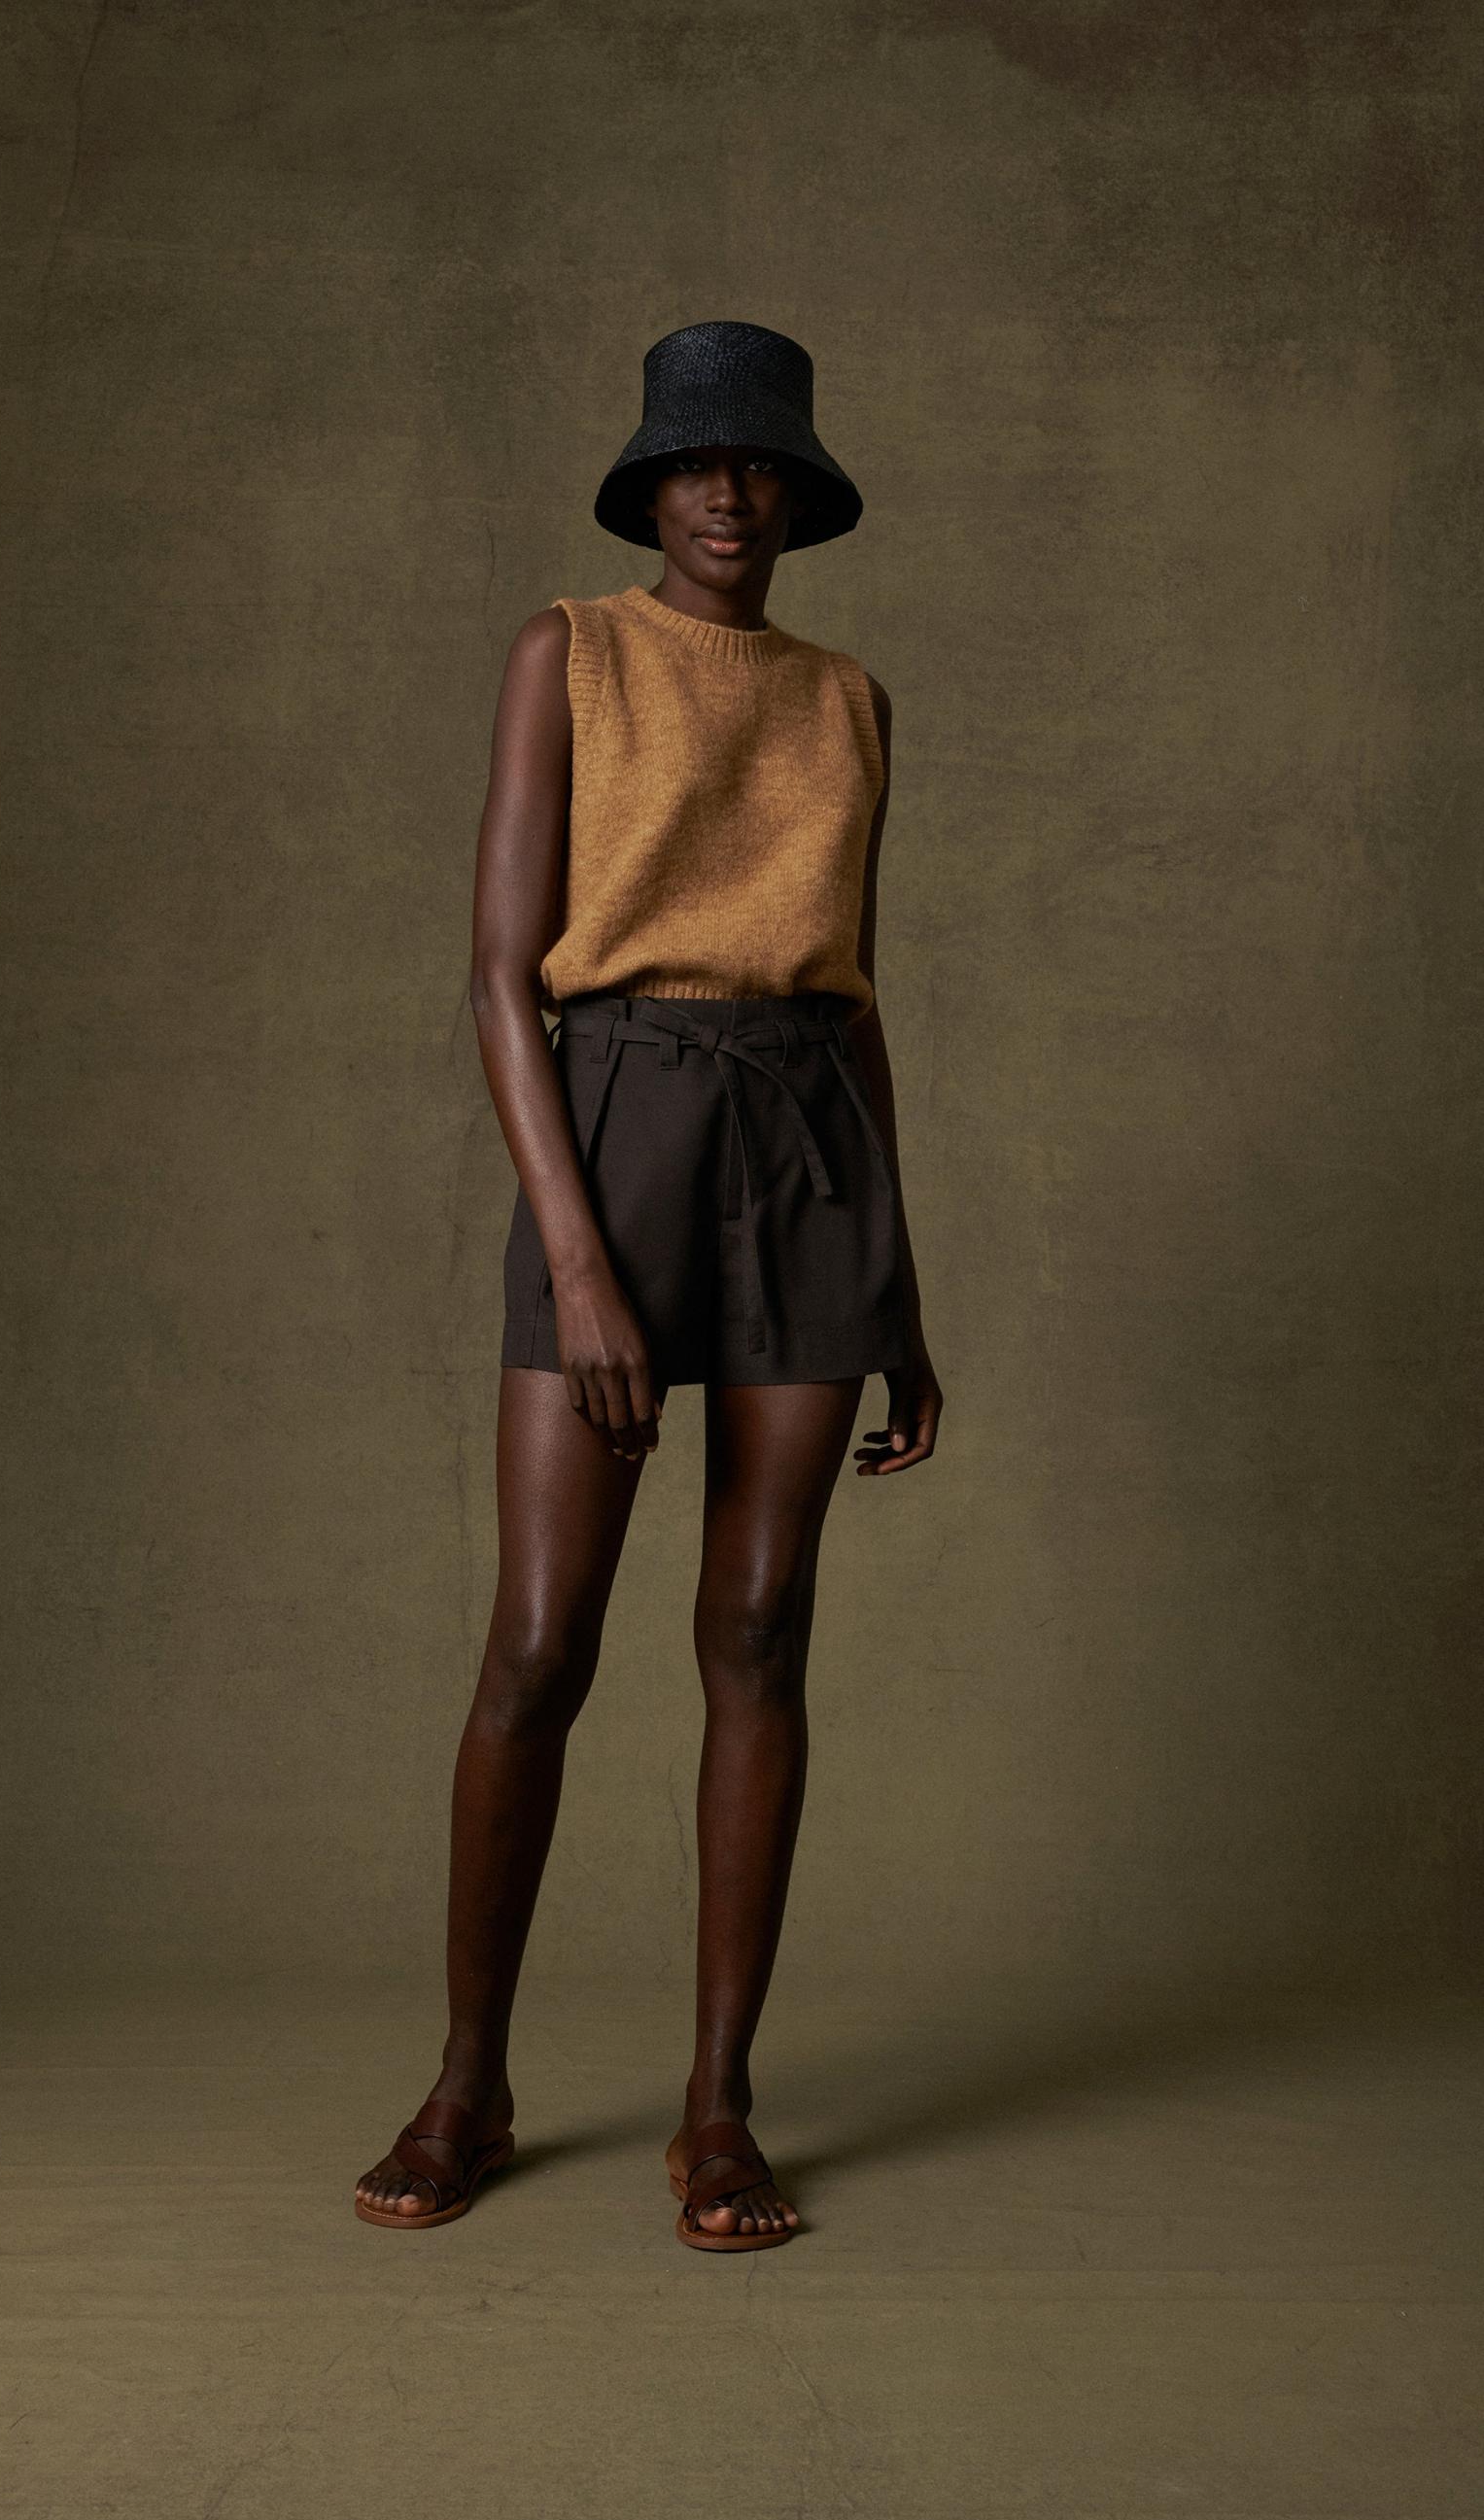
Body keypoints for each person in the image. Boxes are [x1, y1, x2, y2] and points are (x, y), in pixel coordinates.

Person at [355, 320, 944, 2251]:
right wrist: (578, 1258)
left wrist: (896, 1282)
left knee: (759, 1627)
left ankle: (718, 2107)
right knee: (540, 1640)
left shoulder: (846, 700)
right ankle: (468, 2082)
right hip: (610, 1124)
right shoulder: (570, 652)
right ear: (647, 487)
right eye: (693, 461)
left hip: (807, 1142)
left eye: (756, 462)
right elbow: (494, 974)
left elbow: (851, 993)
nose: (724, 491)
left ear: (797, 494)